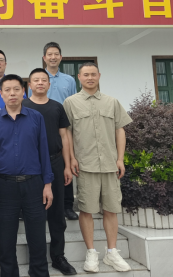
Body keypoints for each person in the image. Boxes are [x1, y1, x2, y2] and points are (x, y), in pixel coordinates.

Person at [63, 63, 133, 274]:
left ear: (99, 76)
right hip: (86, 165)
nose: (90, 78)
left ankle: (112, 252)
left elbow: (120, 130)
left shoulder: (112, 102)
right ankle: (91, 252)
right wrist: (71, 158)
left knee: (111, 209)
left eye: (93, 74)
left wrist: (120, 159)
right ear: (79, 77)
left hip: (110, 165)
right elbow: (67, 133)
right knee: (86, 209)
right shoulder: (70, 102)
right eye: (86, 74)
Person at [0, 74, 53, 277]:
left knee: (37, 237)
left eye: (16, 89)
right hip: (3, 187)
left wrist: (47, 185)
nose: (12, 93)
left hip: (34, 185)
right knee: (6, 239)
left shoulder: (36, 117)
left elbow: (44, 151)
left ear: (24, 91)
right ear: (1, 93)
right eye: (7, 90)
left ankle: (39, 273)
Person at [23, 68, 77, 275]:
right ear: (29, 85)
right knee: (33, 214)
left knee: (56, 214)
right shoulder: (23, 106)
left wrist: (67, 165)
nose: (40, 83)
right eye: (35, 80)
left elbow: (64, 137)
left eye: (43, 80)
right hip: (31, 166)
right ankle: (36, 260)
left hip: (55, 162)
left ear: (49, 84)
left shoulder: (57, 107)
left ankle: (58, 257)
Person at [39, 42, 79, 221]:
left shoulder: (69, 80)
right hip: (43, 127)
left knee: (65, 164)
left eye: (56, 54)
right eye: (49, 54)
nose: (53, 57)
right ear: (44, 58)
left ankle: (67, 206)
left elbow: (73, 103)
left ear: (61, 57)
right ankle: (43, 204)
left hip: (64, 127)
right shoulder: (39, 77)